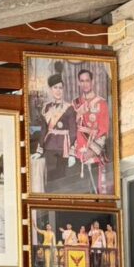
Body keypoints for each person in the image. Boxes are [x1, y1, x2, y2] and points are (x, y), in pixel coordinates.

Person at [36, 65, 78, 193]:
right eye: (55, 87)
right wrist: (39, 150)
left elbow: (73, 132)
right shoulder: (46, 107)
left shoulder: (69, 108)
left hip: (63, 148)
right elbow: (43, 130)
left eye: (60, 87)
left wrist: (72, 153)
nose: (58, 91)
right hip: (49, 148)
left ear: (63, 89)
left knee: (62, 181)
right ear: (50, 89)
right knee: (49, 181)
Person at [73, 68, 112, 196]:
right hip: (78, 156)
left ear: (92, 81)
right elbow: (71, 129)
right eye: (82, 81)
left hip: (93, 156)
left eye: (87, 80)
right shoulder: (75, 104)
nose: (85, 84)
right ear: (78, 82)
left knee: (95, 194)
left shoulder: (101, 103)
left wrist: (91, 151)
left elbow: (104, 131)